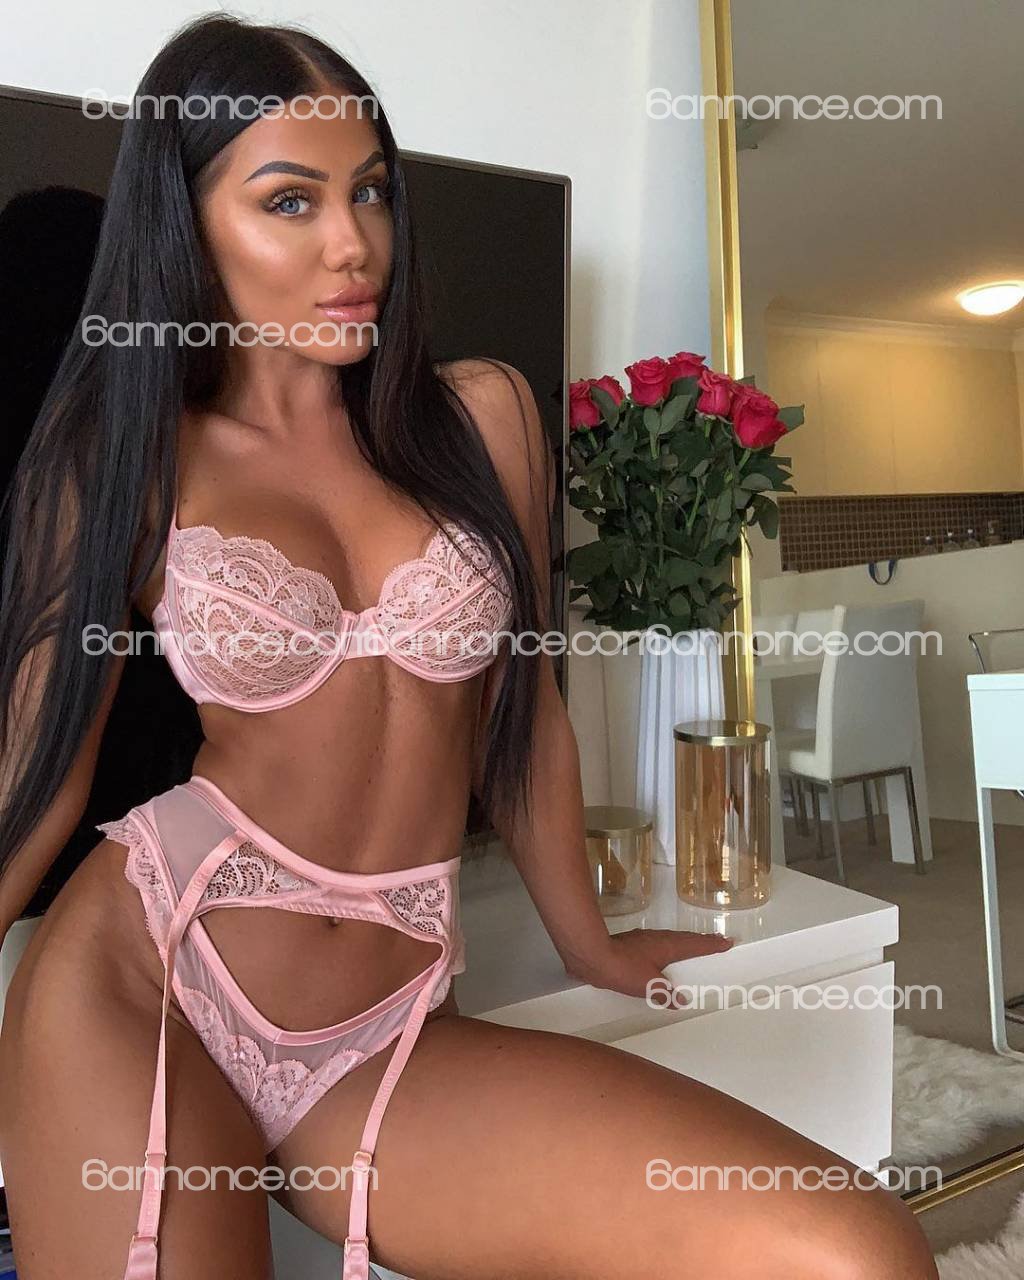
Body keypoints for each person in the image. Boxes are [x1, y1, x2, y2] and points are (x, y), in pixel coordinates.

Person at [0, 13, 937, 1279]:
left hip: (388, 1025)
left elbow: (527, 711)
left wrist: (587, 943)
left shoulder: (479, 418)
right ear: (188, 223)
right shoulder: (128, 456)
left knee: (857, 1250)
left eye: (371, 191)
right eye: (290, 201)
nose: (354, 243)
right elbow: (39, 771)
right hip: (144, 978)